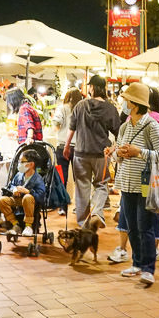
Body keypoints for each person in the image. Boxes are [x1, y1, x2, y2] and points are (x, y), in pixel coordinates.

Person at [104, 82, 159, 286]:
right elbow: (121, 156)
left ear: (135, 103)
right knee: (131, 225)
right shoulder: (125, 126)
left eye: (126, 99)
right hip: (127, 182)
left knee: (145, 225)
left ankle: (148, 268)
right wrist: (117, 153)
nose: (123, 102)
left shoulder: (151, 126)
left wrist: (138, 152)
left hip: (146, 183)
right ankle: (137, 263)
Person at [63, 75, 121, 228]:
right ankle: (96, 212)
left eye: (89, 86)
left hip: (81, 152)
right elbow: (119, 133)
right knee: (101, 184)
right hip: (102, 154)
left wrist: (66, 146)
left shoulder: (80, 106)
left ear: (93, 87)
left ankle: (83, 223)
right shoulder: (110, 108)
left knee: (82, 186)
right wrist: (114, 148)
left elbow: (71, 129)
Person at [0, 149, 47, 236]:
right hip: (17, 199)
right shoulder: (19, 175)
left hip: (30, 202)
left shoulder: (38, 179)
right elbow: (11, 185)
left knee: (27, 197)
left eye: (22, 162)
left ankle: (28, 226)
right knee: (1, 200)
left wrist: (29, 191)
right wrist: (14, 189)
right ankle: (15, 224)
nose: (20, 164)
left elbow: (41, 196)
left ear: (31, 164)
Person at [51, 88, 82, 214]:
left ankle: (63, 207)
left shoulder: (62, 108)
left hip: (63, 145)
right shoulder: (81, 109)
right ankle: (78, 206)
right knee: (78, 178)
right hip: (79, 147)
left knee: (62, 177)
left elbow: (57, 124)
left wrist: (58, 129)